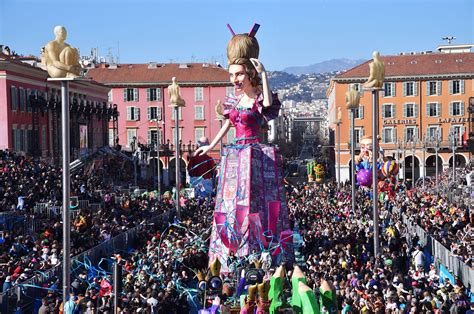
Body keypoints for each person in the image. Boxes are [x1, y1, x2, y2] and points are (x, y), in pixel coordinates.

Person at [195, 26, 290, 272]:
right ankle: (230, 250)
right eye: (231, 75)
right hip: (235, 155)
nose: (234, 80)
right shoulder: (233, 101)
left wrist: (265, 75)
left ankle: (261, 250)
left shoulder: (258, 98)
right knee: (231, 203)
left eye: (238, 74)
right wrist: (211, 147)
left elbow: (267, 105)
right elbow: (228, 124)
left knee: (257, 203)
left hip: (255, 155)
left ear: (249, 73)